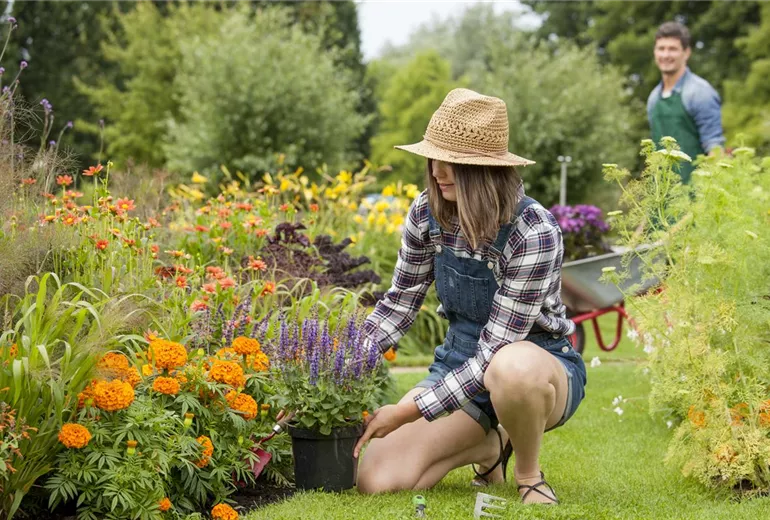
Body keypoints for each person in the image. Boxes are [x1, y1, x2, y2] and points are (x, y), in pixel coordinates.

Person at [353, 88, 586, 505]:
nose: (437, 171)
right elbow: (399, 303)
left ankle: (528, 473)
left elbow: (496, 351)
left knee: (510, 369)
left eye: (452, 162)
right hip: (459, 364)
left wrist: (405, 412)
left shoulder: (533, 231)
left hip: (535, 368)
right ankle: (490, 445)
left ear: (485, 170)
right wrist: (337, 369)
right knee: (377, 479)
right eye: (433, 158)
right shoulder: (427, 212)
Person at [647, 21, 725, 184]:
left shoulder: (700, 92)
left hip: (696, 191)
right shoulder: (654, 98)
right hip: (663, 193)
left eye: (672, 49)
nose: (665, 55)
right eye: (661, 48)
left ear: (686, 53)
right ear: (655, 52)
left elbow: (715, 148)